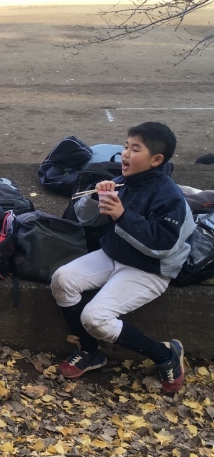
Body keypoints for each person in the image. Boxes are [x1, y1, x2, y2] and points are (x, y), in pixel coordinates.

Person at [51, 122, 195, 395]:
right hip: (114, 255)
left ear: (156, 160)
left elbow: (163, 245)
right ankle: (91, 351)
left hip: (150, 269)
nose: (126, 154)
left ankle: (166, 355)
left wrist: (122, 216)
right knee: (62, 279)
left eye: (135, 149)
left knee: (95, 318)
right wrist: (95, 198)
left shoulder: (170, 195)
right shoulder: (122, 183)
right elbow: (85, 220)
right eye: (126, 146)